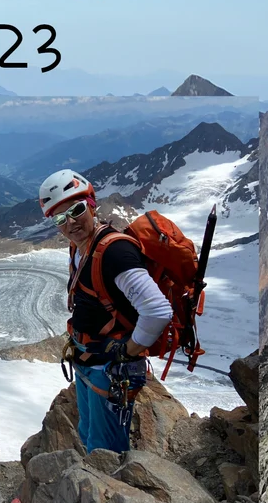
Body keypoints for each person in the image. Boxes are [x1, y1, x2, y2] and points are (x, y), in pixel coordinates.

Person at [39, 168, 172, 455]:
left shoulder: (115, 252)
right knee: (89, 436)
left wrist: (129, 351)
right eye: (60, 218)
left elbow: (158, 310)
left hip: (110, 370)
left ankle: (112, 494)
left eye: (76, 210)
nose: (70, 222)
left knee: (105, 450)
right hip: (89, 362)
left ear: (91, 204)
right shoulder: (79, 248)